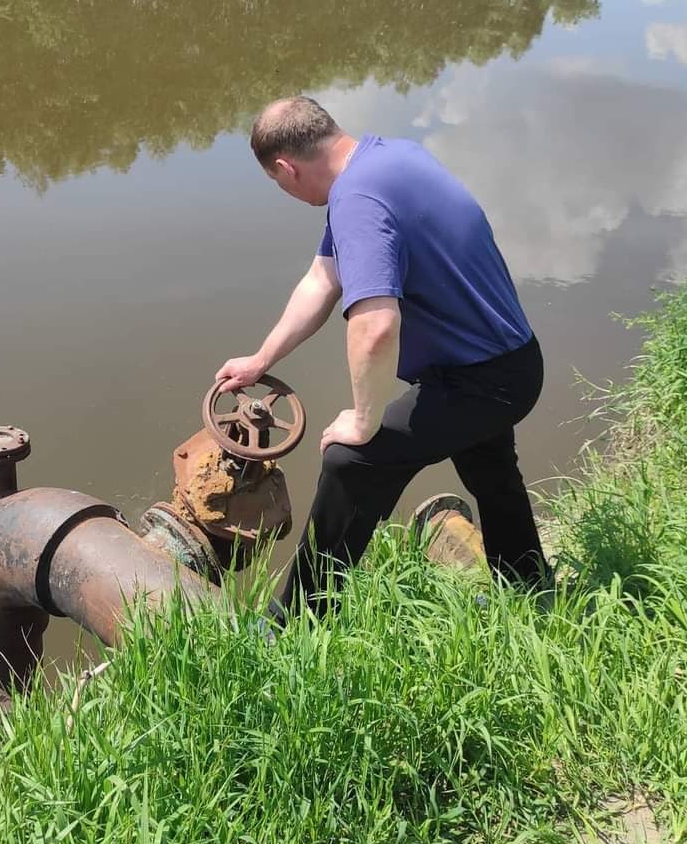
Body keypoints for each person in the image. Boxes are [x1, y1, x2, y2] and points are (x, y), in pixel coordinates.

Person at [215, 96, 553, 620]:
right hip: (507, 361)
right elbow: (322, 279)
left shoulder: (357, 199)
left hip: (482, 378)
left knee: (353, 461)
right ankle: (531, 588)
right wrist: (262, 359)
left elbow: (375, 326)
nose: (288, 193)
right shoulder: (389, 159)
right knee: (489, 468)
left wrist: (364, 420)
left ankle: (293, 628)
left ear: (286, 167)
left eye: (280, 184)